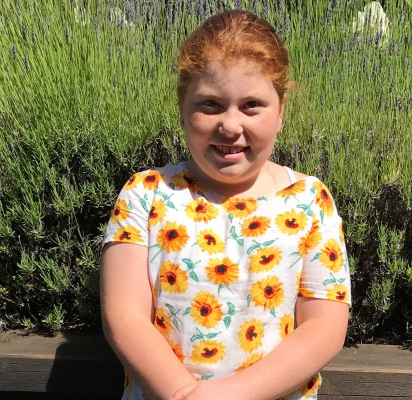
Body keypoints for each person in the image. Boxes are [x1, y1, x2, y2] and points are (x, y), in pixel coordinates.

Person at [100, 10, 351, 400]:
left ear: (281, 110)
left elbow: (325, 327)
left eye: (252, 105)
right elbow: (125, 319)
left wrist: (229, 395)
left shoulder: (309, 201)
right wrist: (183, 394)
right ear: (182, 107)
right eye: (210, 104)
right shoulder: (145, 194)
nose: (231, 126)